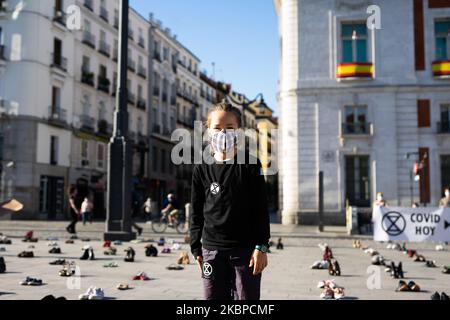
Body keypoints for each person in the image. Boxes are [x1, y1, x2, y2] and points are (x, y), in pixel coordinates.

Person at [190, 101, 270, 301]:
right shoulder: (201, 167)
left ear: (239, 131)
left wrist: (261, 247)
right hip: (210, 251)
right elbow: (196, 210)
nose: (223, 133)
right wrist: (195, 247)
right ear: (208, 130)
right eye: (217, 128)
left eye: (230, 128)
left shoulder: (250, 165)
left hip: (245, 252)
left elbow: (260, 208)